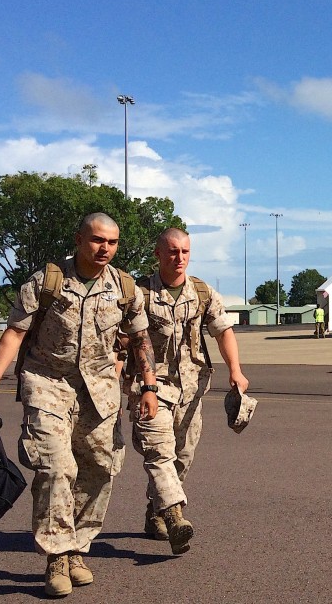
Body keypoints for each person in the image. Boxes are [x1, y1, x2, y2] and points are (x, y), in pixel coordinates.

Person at [0, 213, 159, 598]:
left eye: (111, 242)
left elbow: (141, 340)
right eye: (96, 240)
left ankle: (77, 547)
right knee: (56, 468)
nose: (104, 248)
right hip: (48, 385)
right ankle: (56, 555)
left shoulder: (124, 288)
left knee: (100, 470)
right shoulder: (47, 282)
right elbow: (14, 334)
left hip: (100, 391)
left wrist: (150, 386)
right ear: (79, 239)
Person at [127, 227, 249, 555]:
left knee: (182, 456)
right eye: (171, 251)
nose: (178, 258)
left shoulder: (202, 292)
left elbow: (223, 331)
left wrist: (235, 371)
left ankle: (156, 513)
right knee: (159, 450)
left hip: (191, 387)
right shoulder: (139, 293)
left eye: (184, 251)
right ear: (157, 254)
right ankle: (176, 516)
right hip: (151, 386)